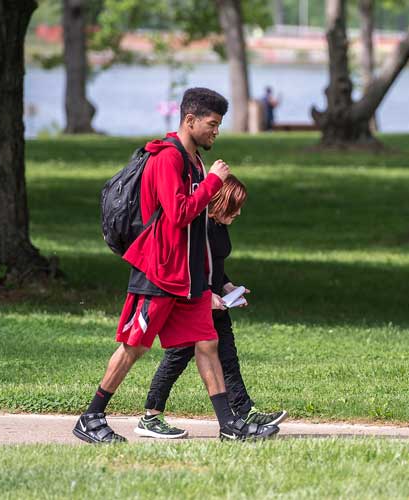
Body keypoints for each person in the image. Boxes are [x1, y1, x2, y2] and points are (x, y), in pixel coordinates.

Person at [73, 87, 279, 444]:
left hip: (189, 279)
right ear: (189, 120)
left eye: (219, 125)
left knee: (207, 343)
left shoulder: (195, 160)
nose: (216, 131)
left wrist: (214, 282)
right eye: (212, 124)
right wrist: (214, 180)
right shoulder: (167, 159)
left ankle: (229, 425)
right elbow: (180, 212)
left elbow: (197, 228)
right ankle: (91, 416)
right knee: (134, 346)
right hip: (158, 274)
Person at [134, 175, 288, 439]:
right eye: (234, 206)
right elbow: (187, 266)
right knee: (177, 358)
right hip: (193, 303)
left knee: (228, 356)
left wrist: (227, 286)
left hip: (217, 304)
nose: (238, 212)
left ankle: (244, 412)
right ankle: (150, 417)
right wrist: (206, 295)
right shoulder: (199, 226)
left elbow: (214, 264)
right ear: (219, 201)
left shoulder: (218, 224)